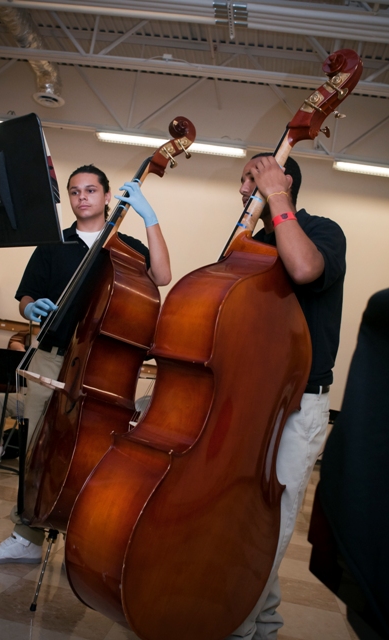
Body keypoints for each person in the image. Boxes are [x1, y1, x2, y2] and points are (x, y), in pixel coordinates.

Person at [0, 164, 171, 565]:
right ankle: (25, 534)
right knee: (35, 449)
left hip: (101, 368)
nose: (83, 197)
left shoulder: (127, 246)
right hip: (52, 357)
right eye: (75, 191)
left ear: (106, 195)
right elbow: (26, 297)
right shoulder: (53, 244)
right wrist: (32, 310)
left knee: (92, 454)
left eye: (91, 190)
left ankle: (82, 539)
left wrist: (151, 218)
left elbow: (163, 275)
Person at [225, 154, 346, 640]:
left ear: (282, 181)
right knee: (245, 519)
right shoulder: (251, 245)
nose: (242, 191)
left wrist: (274, 196)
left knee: (270, 524)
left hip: (299, 404)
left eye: (250, 179)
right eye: (243, 182)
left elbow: (302, 269)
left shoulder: (322, 230)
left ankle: (235, 626)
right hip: (250, 396)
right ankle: (263, 624)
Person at [0, 333, 27, 465]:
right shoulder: (38, 342)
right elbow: (14, 344)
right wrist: (21, 350)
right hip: (26, 397)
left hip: (49, 401)